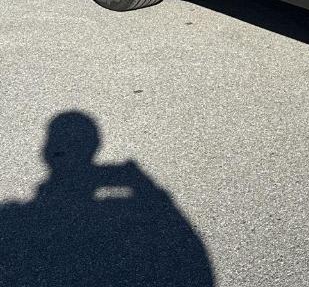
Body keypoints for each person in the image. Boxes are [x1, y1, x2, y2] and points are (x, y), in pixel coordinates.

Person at [0, 111, 214, 287]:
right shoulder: (127, 214)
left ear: (45, 153)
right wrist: (144, 188)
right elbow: (191, 258)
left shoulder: (16, 219)